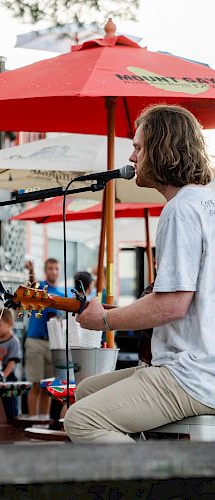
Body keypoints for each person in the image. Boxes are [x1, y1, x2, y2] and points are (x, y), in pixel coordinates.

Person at [64, 104, 215, 443]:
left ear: (162, 149)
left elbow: (172, 305)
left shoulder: (180, 210)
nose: (132, 158)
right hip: (203, 365)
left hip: (193, 375)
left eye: (138, 147)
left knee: (81, 421)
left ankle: (153, 483)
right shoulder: (206, 202)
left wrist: (104, 320)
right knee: (87, 390)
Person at [24, 258, 64, 417]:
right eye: (50, 268)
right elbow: (32, 285)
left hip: (53, 344)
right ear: (45, 270)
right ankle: (34, 422)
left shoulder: (62, 294)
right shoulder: (40, 287)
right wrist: (31, 271)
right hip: (36, 341)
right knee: (35, 384)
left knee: (47, 387)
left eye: (56, 268)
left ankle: (44, 422)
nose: (53, 271)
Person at [0, 309, 21, 419]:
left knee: (9, 404)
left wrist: (3, 377)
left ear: (9, 323)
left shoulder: (13, 341)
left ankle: (12, 421)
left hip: (8, 378)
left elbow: (12, 363)